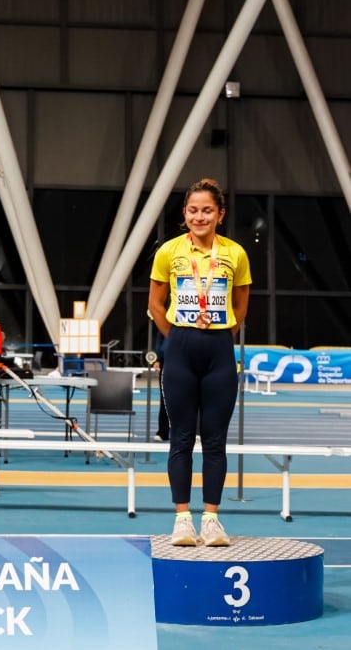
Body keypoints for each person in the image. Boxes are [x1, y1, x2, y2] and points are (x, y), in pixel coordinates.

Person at [148, 178, 251, 547]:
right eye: (193, 210)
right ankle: (181, 520)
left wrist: (223, 328)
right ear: (184, 213)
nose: (199, 216)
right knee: (180, 437)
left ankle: (211, 519)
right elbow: (155, 305)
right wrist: (176, 335)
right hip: (180, 347)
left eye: (207, 210)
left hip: (219, 349)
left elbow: (241, 306)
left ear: (219, 214)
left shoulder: (236, 254)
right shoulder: (169, 252)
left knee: (215, 440)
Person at [152, 329, 169, 442]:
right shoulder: (167, 317)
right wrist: (157, 358)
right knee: (165, 398)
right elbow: (159, 339)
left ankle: (192, 432)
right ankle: (163, 432)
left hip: (187, 360)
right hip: (166, 360)